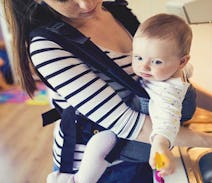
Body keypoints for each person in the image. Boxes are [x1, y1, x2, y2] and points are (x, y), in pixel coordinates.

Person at [4, 0, 212, 182]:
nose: (86, 4)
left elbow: (163, 82)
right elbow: (128, 124)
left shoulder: (117, 12)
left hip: (145, 149)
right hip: (100, 168)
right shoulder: (48, 45)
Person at [47, 13, 195, 183]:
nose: (143, 66)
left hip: (140, 138)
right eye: (138, 57)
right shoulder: (176, 71)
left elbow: (166, 118)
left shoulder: (167, 90)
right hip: (139, 138)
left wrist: (160, 144)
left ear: (182, 61)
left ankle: (79, 180)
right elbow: (187, 72)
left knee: (101, 142)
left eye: (157, 62)